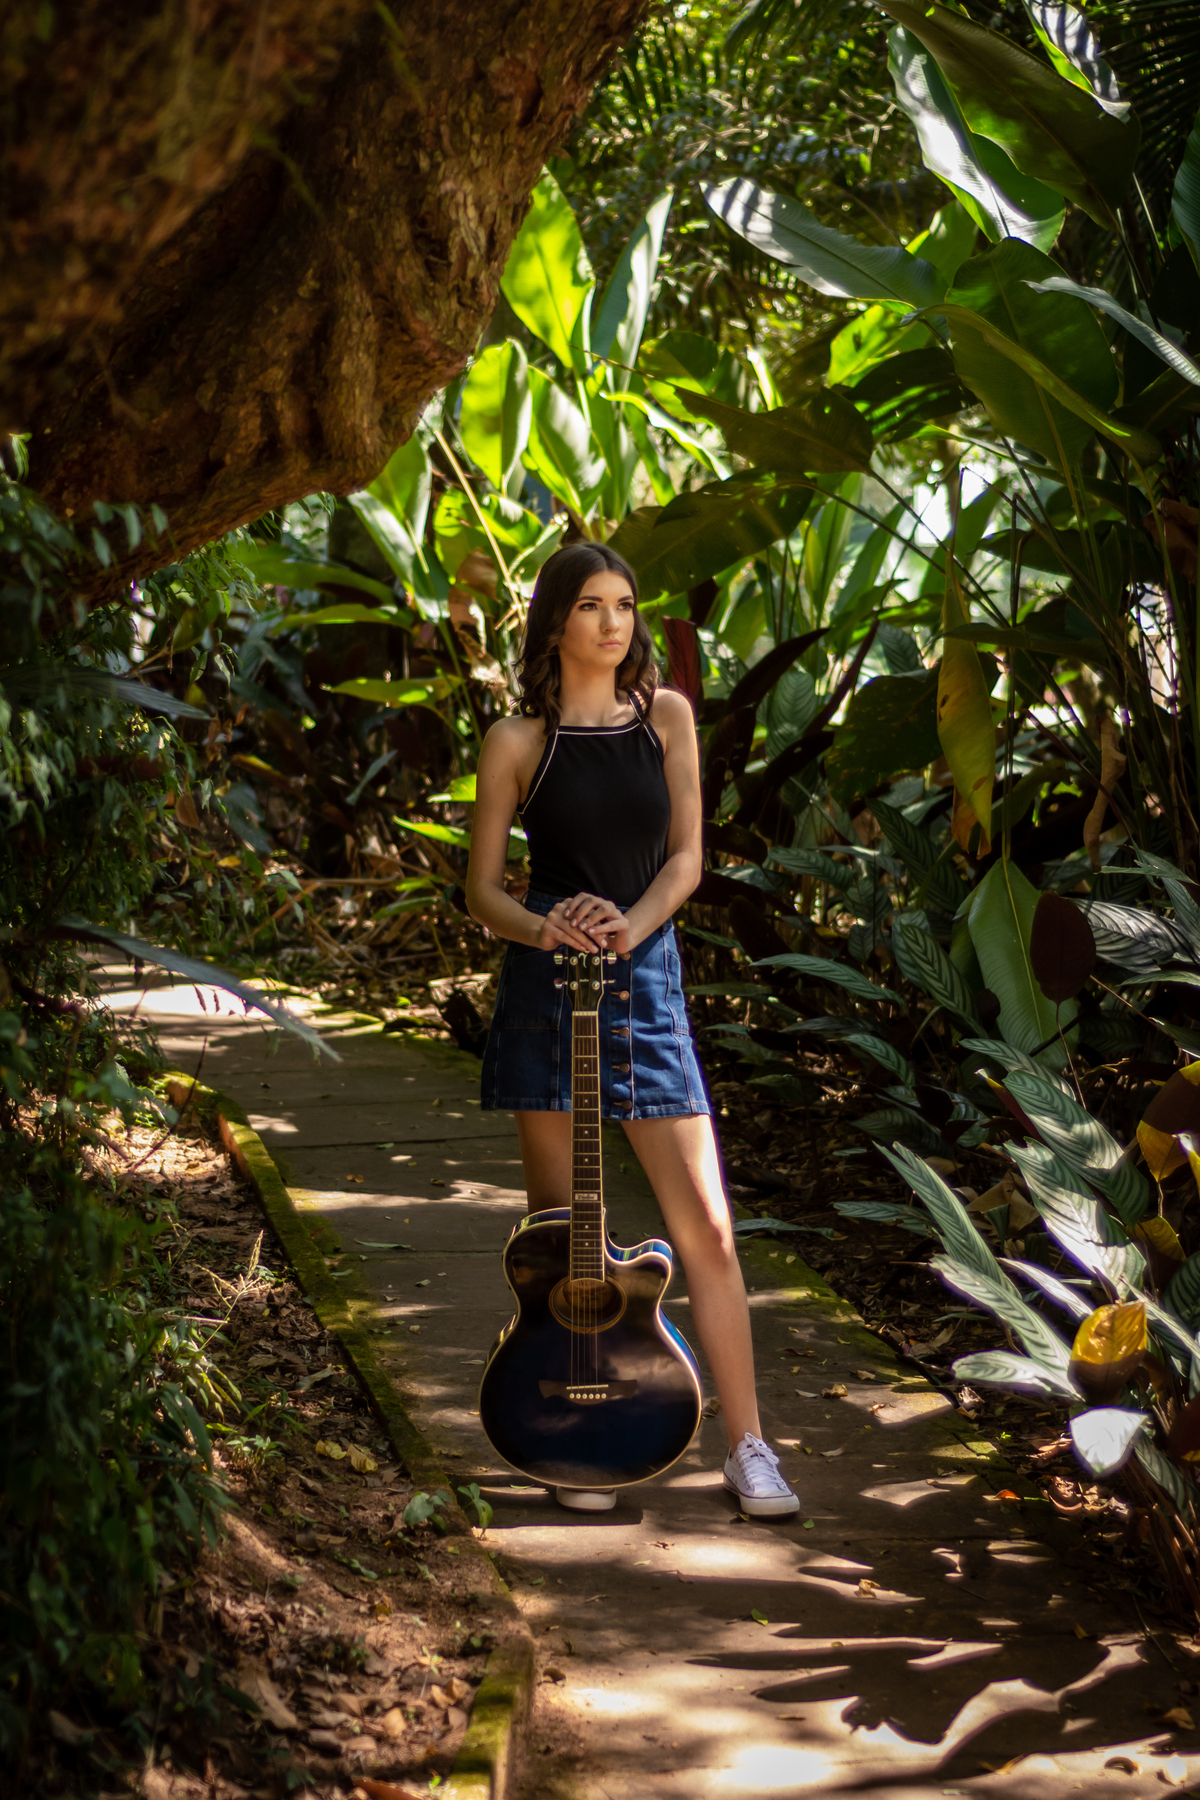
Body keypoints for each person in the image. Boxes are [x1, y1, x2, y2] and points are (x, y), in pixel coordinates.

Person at [465, 541, 799, 1519]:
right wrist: (548, 924)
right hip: (545, 987)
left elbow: (688, 859)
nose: (616, 624)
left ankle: (747, 1447)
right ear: (556, 623)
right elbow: (482, 889)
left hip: (643, 975)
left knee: (707, 1226)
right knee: (564, 1245)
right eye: (593, 607)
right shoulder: (516, 741)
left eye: (626, 606)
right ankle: (583, 1445)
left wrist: (629, 925)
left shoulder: (667, 719)